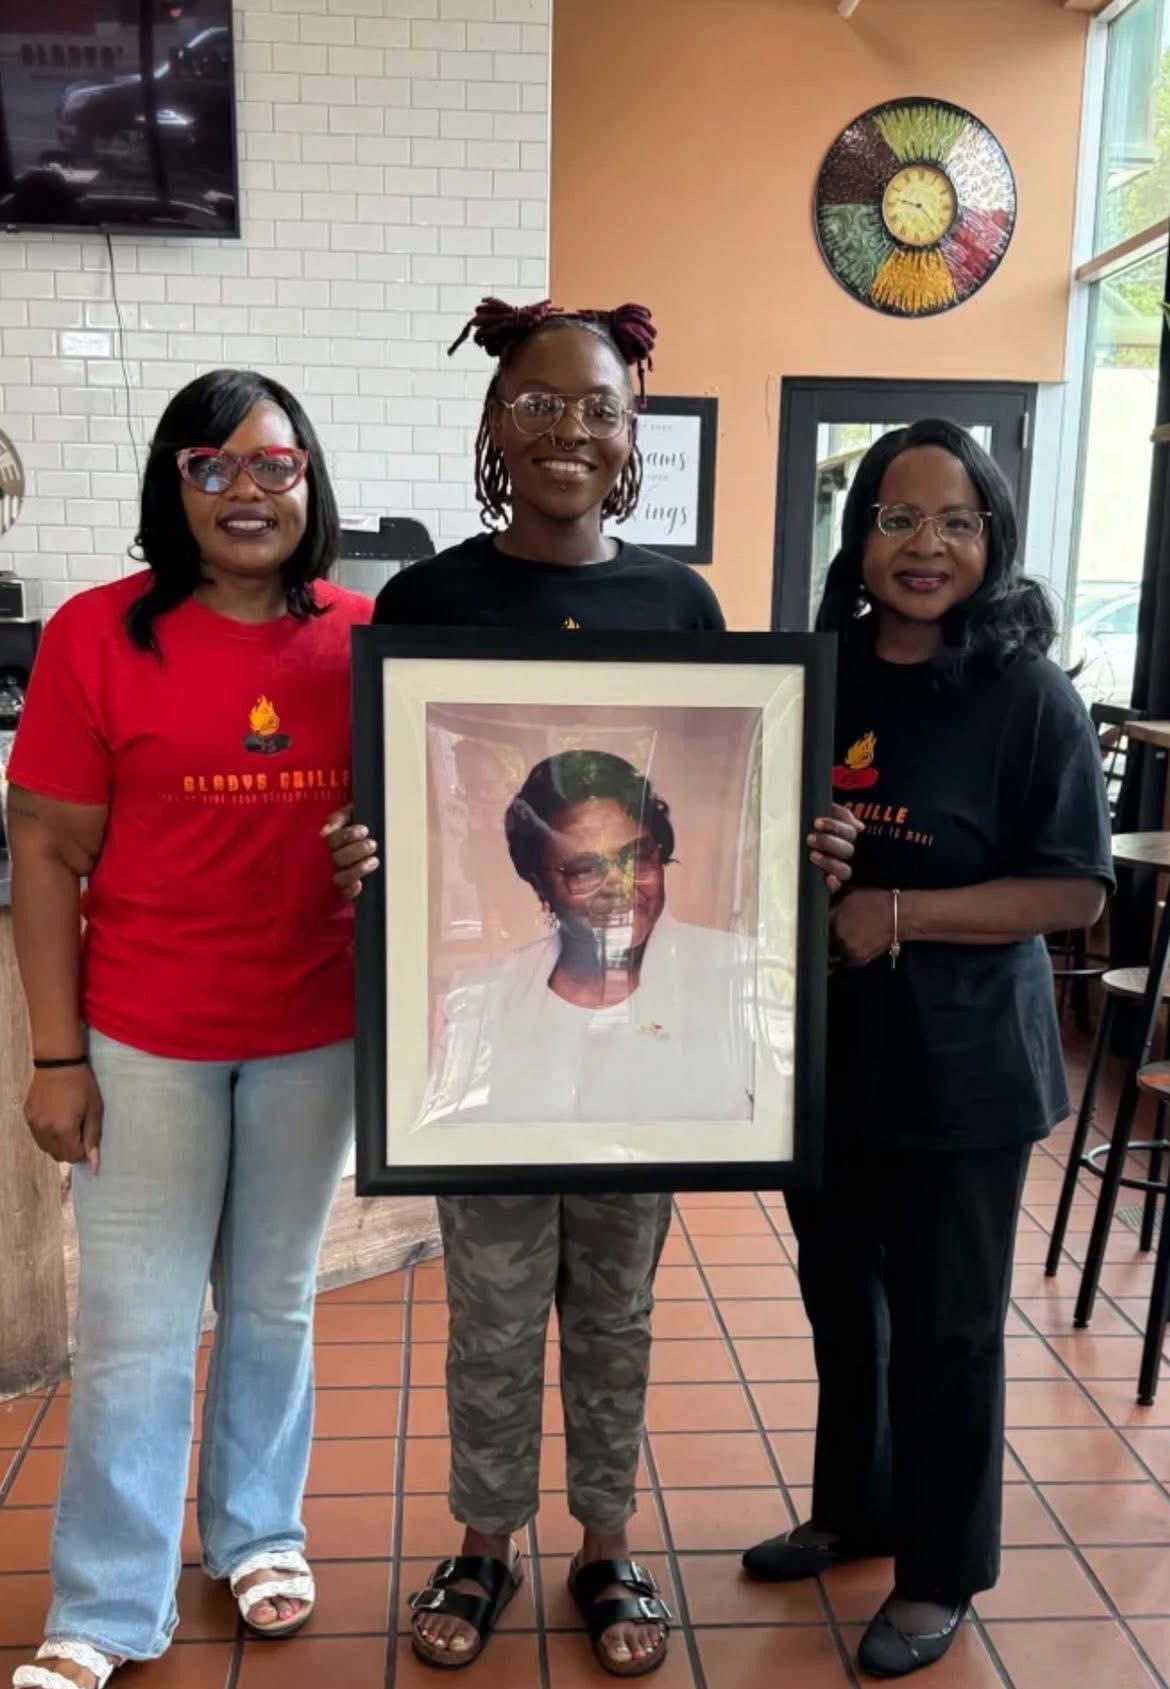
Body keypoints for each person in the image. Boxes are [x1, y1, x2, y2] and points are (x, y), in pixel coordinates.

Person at [327, 296, 857, 1676]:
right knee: (492, 1309)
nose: (571, 428)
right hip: (491, 1078)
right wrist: (359, 848)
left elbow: (740, 785)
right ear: (495, 421)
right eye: (542, 402)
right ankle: (484, 1541)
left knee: (615, 1310)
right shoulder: (425, 601)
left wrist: (793, 839)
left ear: (634, 440)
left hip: (652, 1065)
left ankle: (607, 1541)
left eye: (599, 407)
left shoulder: (678, 603)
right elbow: (394, 800)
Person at [7, 371, 371, 1689]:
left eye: (273, 466)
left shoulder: (361, 636)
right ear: (175, 487)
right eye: (211, 466)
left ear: (309, 481)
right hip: (146, 1034)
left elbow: (416, 827)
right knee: (136, 1322)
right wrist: (56, 1058)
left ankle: (256, 1532)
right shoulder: (98, 636)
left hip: (312, 1028)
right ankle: (105, 1606)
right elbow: (43, 848)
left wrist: (365, 861)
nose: (246, 492)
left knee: (274, 1302)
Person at [742, 419, 1114, 1678]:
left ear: (992, 541)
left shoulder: (1027, 693)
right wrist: (810, 855)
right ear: (858, 539)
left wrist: (895, 912)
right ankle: (857, 1509)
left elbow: (1074, 893)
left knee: (951, 1323)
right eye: (898, 519)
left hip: (964, 1071)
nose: (925, 547)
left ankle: (940, 1569)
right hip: (826, 1057)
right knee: (843, 1302)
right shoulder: (818, 668)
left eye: (955, 522)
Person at [425, 747, 757, 1127]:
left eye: (637, 856)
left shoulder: (739, 974)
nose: (619, 885)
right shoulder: (484, 994)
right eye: (584, 869)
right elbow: (452, 1144)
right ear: (538, 882)